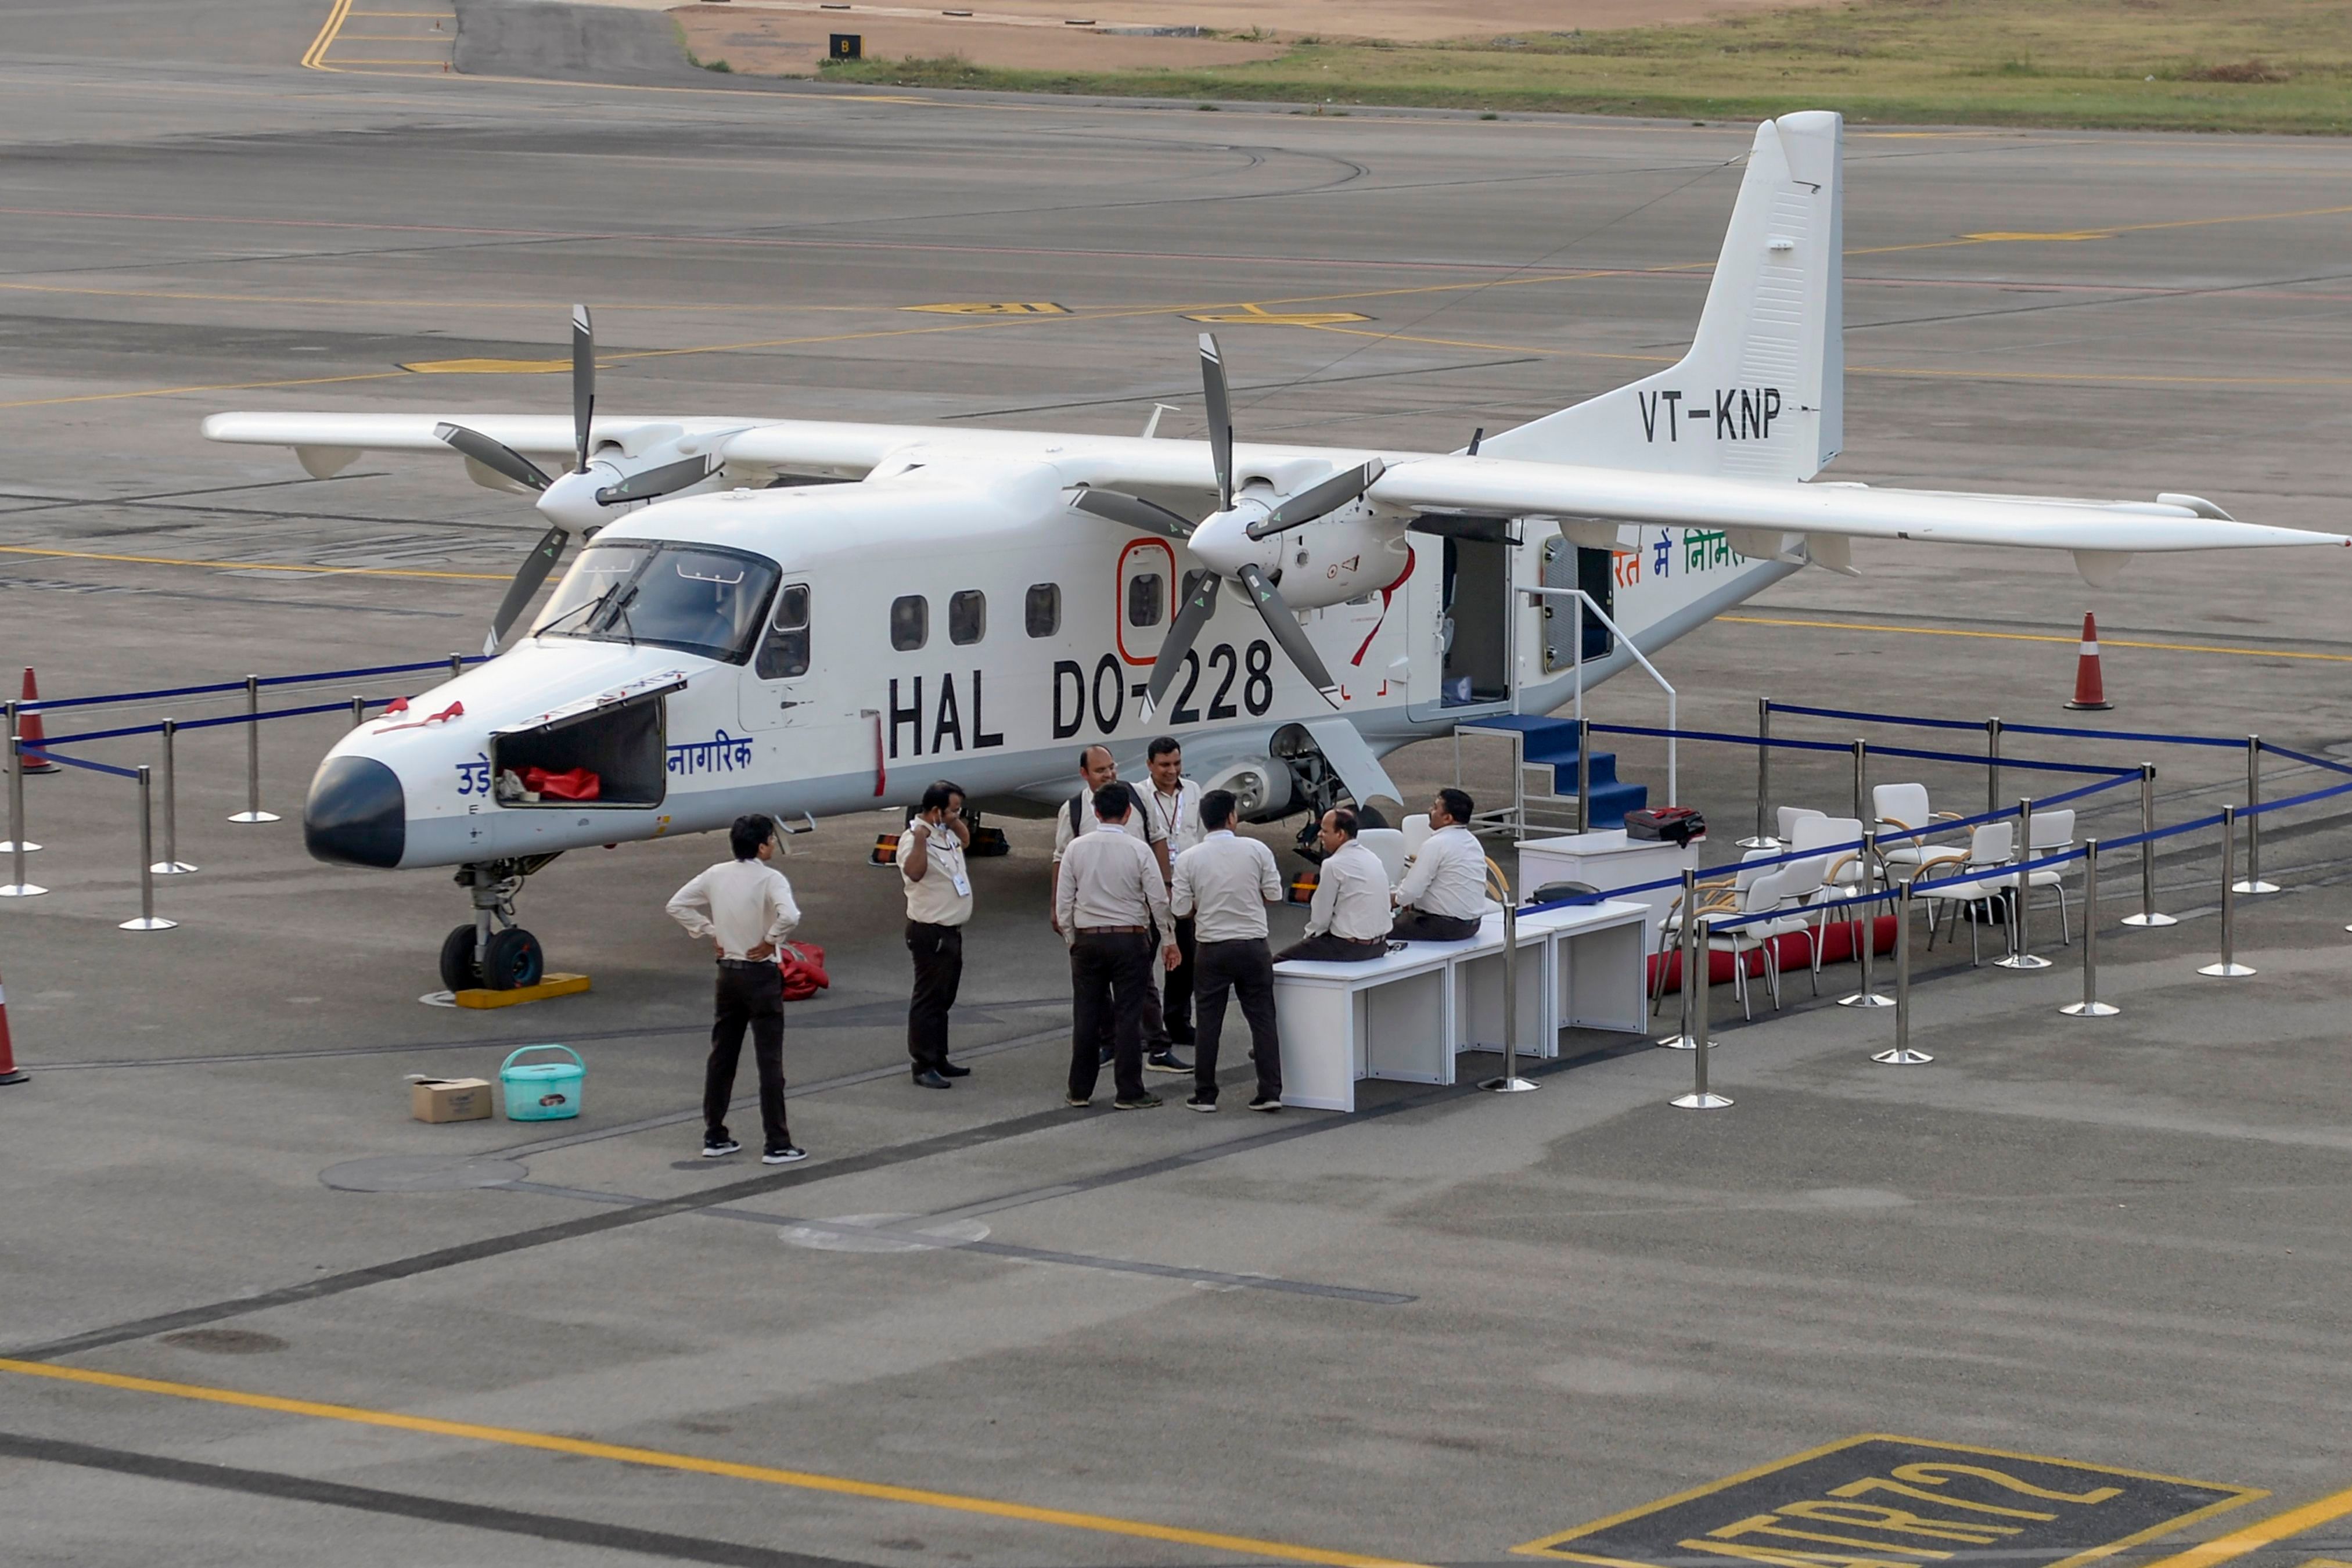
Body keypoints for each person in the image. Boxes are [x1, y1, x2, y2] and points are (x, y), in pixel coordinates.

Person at [665, 812, 806, 1164]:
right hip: (761, 975)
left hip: (727, 974)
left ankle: (715, 1134)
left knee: (722, 1055)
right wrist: (771, 939)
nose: (774, 844)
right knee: (769, 1061)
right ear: (761, 846)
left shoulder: (716, 874)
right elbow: (790, 916)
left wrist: (711, 931)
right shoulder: (772, 879)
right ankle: (777, 1141)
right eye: (771, 839)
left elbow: (677, 905)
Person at [1051, 744, 1190, 1074]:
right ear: (1084, 774)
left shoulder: (1139, 798)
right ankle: (1109, 1044)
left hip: (1136, 913)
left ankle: (1157, 1046)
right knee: (1099, 988)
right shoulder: (1072, 810)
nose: (1110, 774)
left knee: (1143, 985)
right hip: (1094, 914)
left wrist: (1166, 887)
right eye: (1101, 770)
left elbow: (1157, 839)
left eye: (1112, 767)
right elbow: (1061, 860)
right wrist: (1058, 909)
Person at [1170, 789, 1285, 1113]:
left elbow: (1180, 909)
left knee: (1208, 1022)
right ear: (1232, 817)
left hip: (1211, 947)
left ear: (1204, 822)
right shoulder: (1257, 849)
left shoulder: (1190, 858)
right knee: (1263, 1018)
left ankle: (1205, 1093)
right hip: (1253, 945)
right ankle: (1270, 1090)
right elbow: (1274, 894)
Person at [900, 779, 973, 1090]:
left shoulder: (947, 832)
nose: (957, 815)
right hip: (930, 931)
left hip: (951, 929)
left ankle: (939, 1055)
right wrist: (919, 838)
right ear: (934, 811)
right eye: (953, 810)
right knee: (928, 999)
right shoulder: (914, 839)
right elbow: (914, 872)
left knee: (944, 997)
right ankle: (923, 1063)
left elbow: (966, 842)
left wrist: (955, 822)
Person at [1143, 735, 1204, 1055]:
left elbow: (1201, 835)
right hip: (1152, 889)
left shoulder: (1193, 791)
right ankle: (1146, 1026)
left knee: (1186, 958)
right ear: (1150, 765)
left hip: (1185, 887)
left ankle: (1179, 1021)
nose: (1172, 771)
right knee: (1145, 957)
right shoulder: (1139, 795)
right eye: (1165, 765)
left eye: (1177, 764)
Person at [1274, 807, 1391, 963]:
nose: (1319, 835)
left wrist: (1308, 939)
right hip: (1379, 946)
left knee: (1279, 961)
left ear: (1341, 834)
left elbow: (1321, 916)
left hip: (1351, 948)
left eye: (1325, 831)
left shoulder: (1333, 864)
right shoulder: (1372, 858)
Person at [1390, 787, 1488, 943]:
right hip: (1473, 925)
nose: (1430, 811)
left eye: (1436, 808)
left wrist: (1389, 901)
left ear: (1448, 818)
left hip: (1444, 926)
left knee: (1376, 927)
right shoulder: (1472, 842)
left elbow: (1410, 891)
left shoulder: (1436, 844)